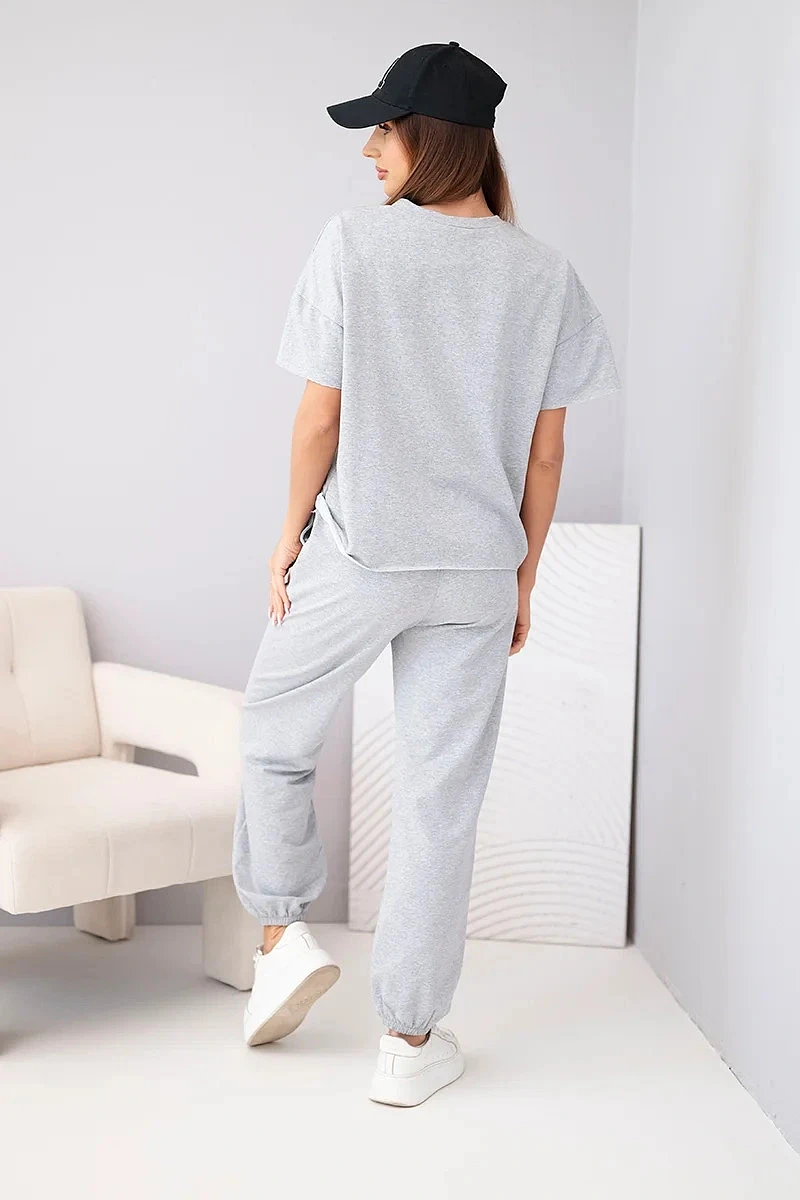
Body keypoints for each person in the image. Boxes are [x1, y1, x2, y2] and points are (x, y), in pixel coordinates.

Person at [232, 40, 622, 1107]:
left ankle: (280, 936)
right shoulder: (546, 275)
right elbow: (546, 455)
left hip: (360, 554)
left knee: (271, 734)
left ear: (428, 140)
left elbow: (318, 419)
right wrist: (522, 580)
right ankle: (408, 1043)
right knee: (441, 802)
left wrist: (288, 533)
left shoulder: (353, 246)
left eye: (383, 131)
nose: (370, 151)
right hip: (475, 573)